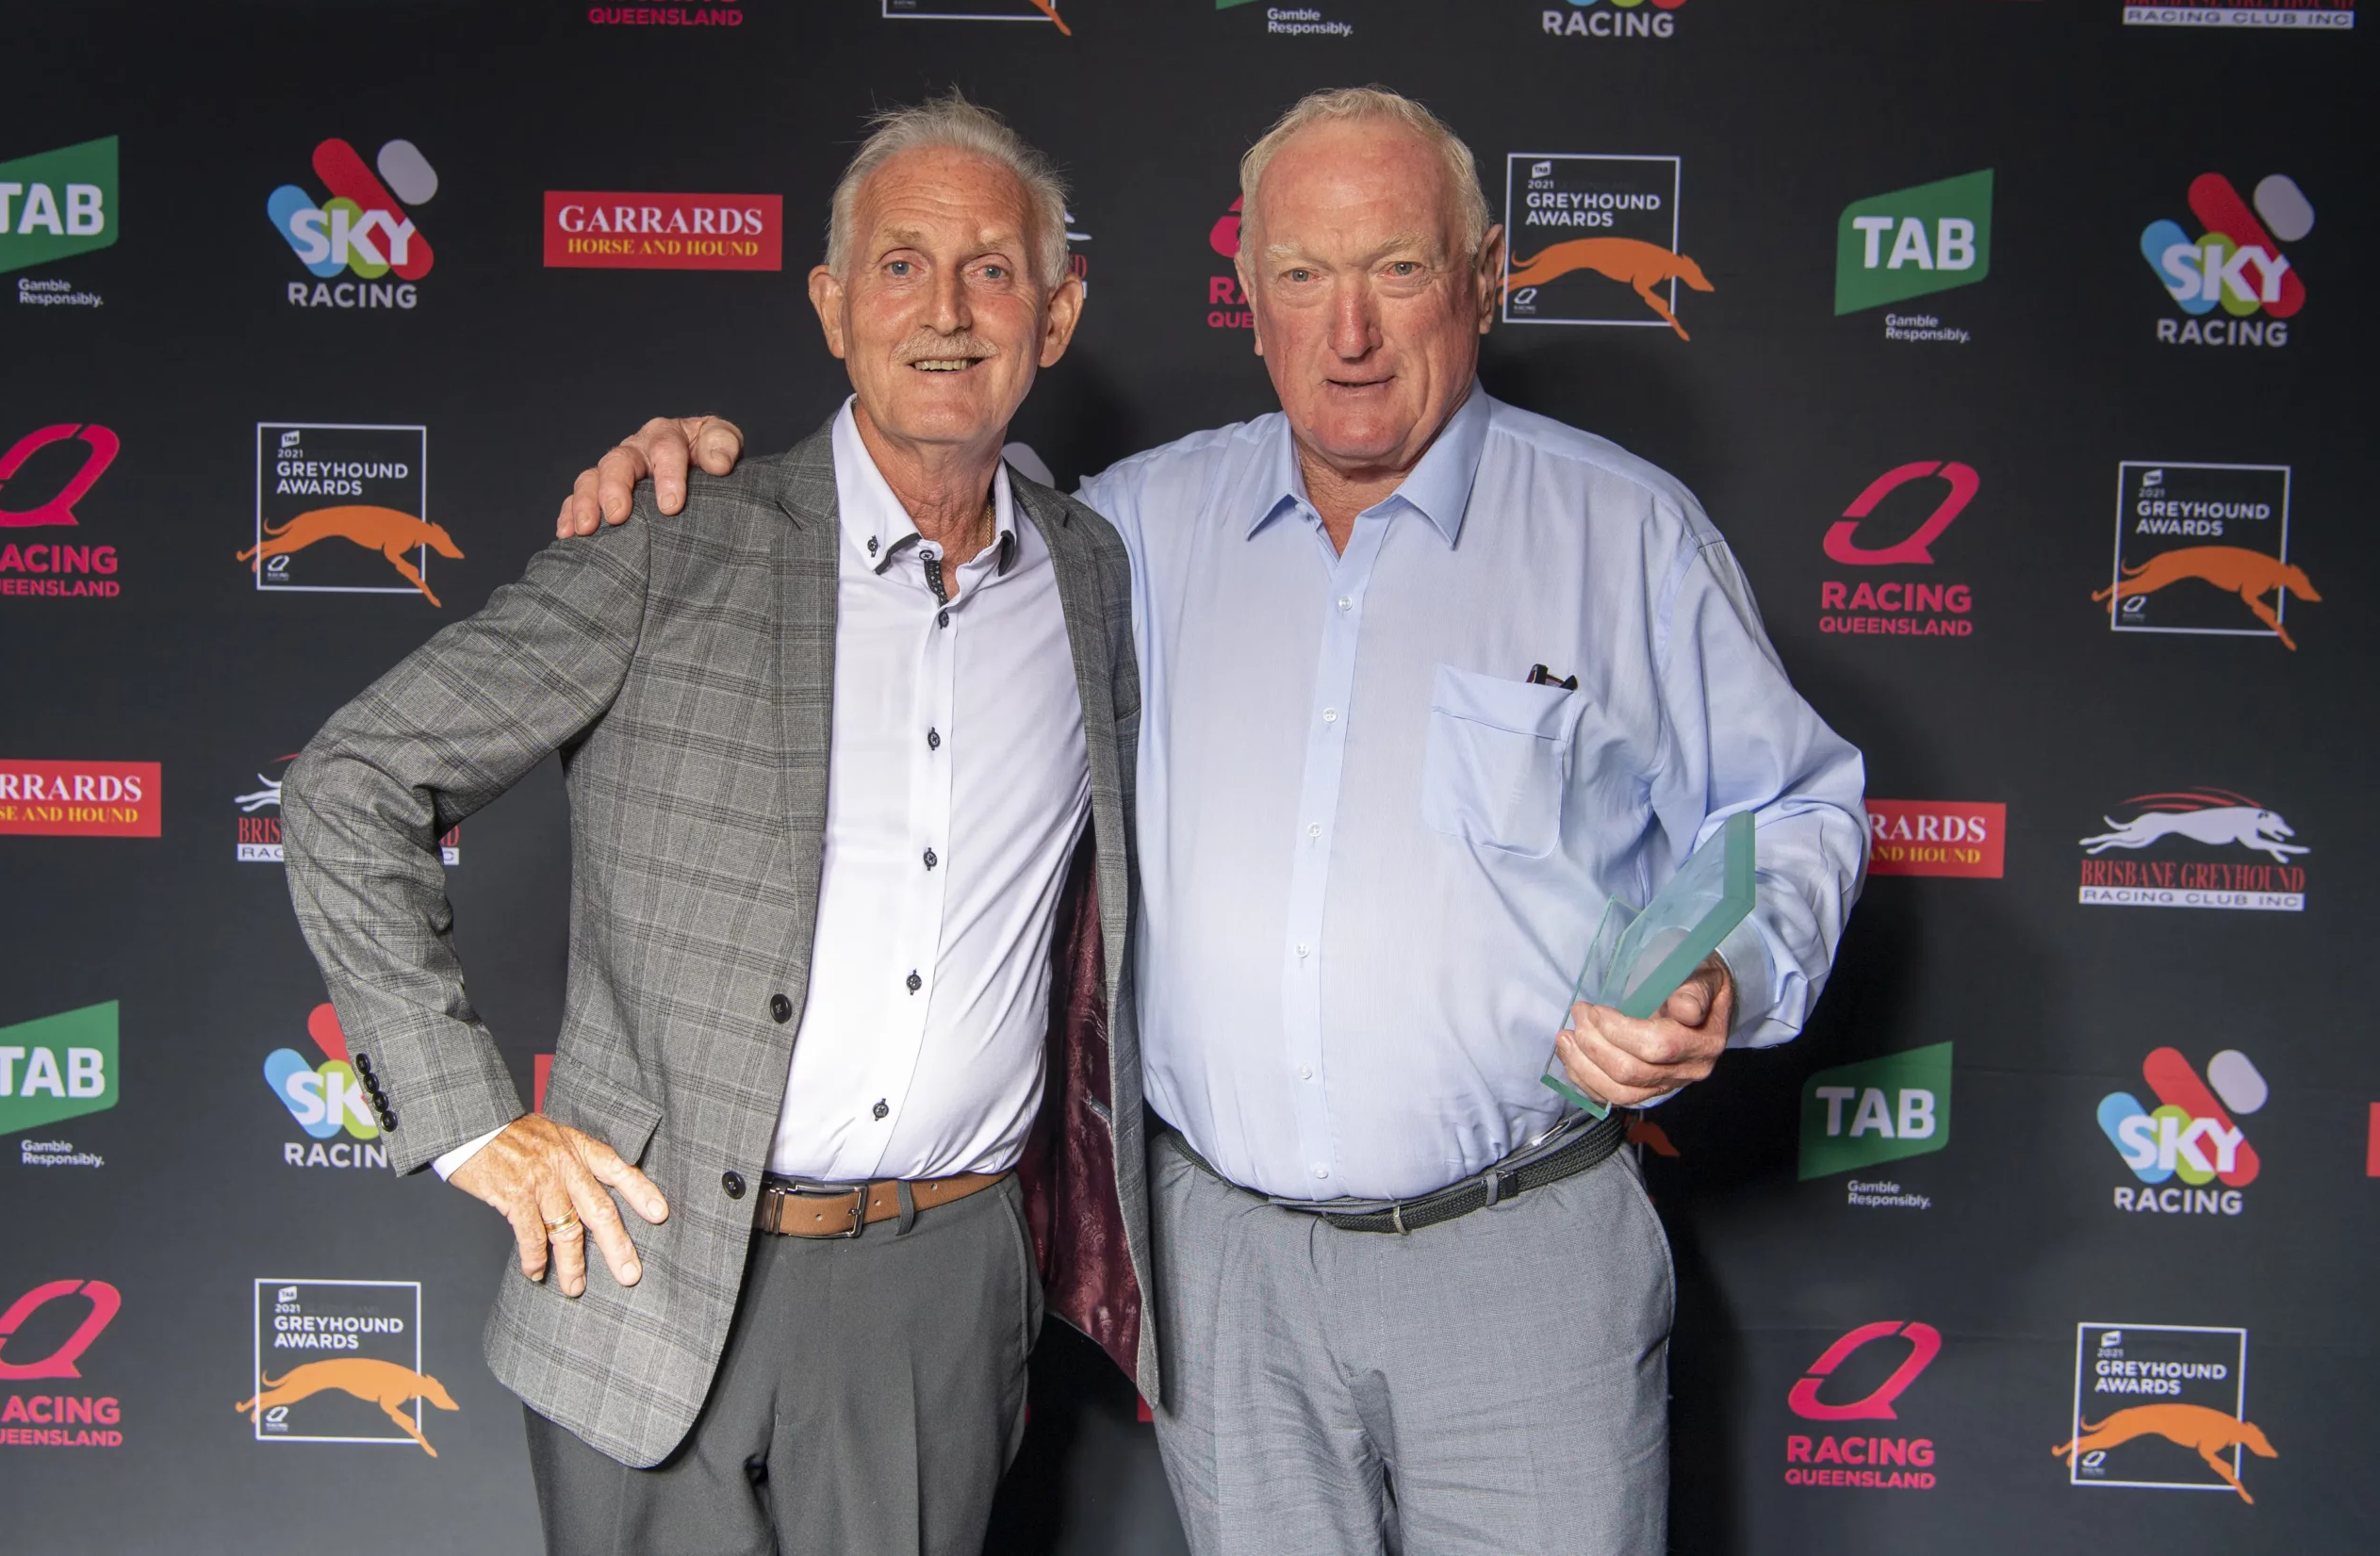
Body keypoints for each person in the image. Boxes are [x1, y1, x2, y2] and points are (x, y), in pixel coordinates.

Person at [560, 87, 1866, 1555]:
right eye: (1300, 275)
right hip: (1225, 1273)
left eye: (1397, 269)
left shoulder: (1624, 532)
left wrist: (1730, 969)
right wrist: (710, 489)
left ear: (1485, 276)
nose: (1347, 331)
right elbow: (930, 495)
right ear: (1248, 298)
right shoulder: (1133, 528)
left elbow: (1794, 806)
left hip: (1521, 1253)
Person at [280, 95, 1156, 1556]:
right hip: (646, 1272)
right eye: (900, 265)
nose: (946, 309)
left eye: (994, 270)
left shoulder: (1098, 577)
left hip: (938, 1297)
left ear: (1055, 317)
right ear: (831, 305)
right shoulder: (674, 534)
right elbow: (350, 781)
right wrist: (467, 1118)